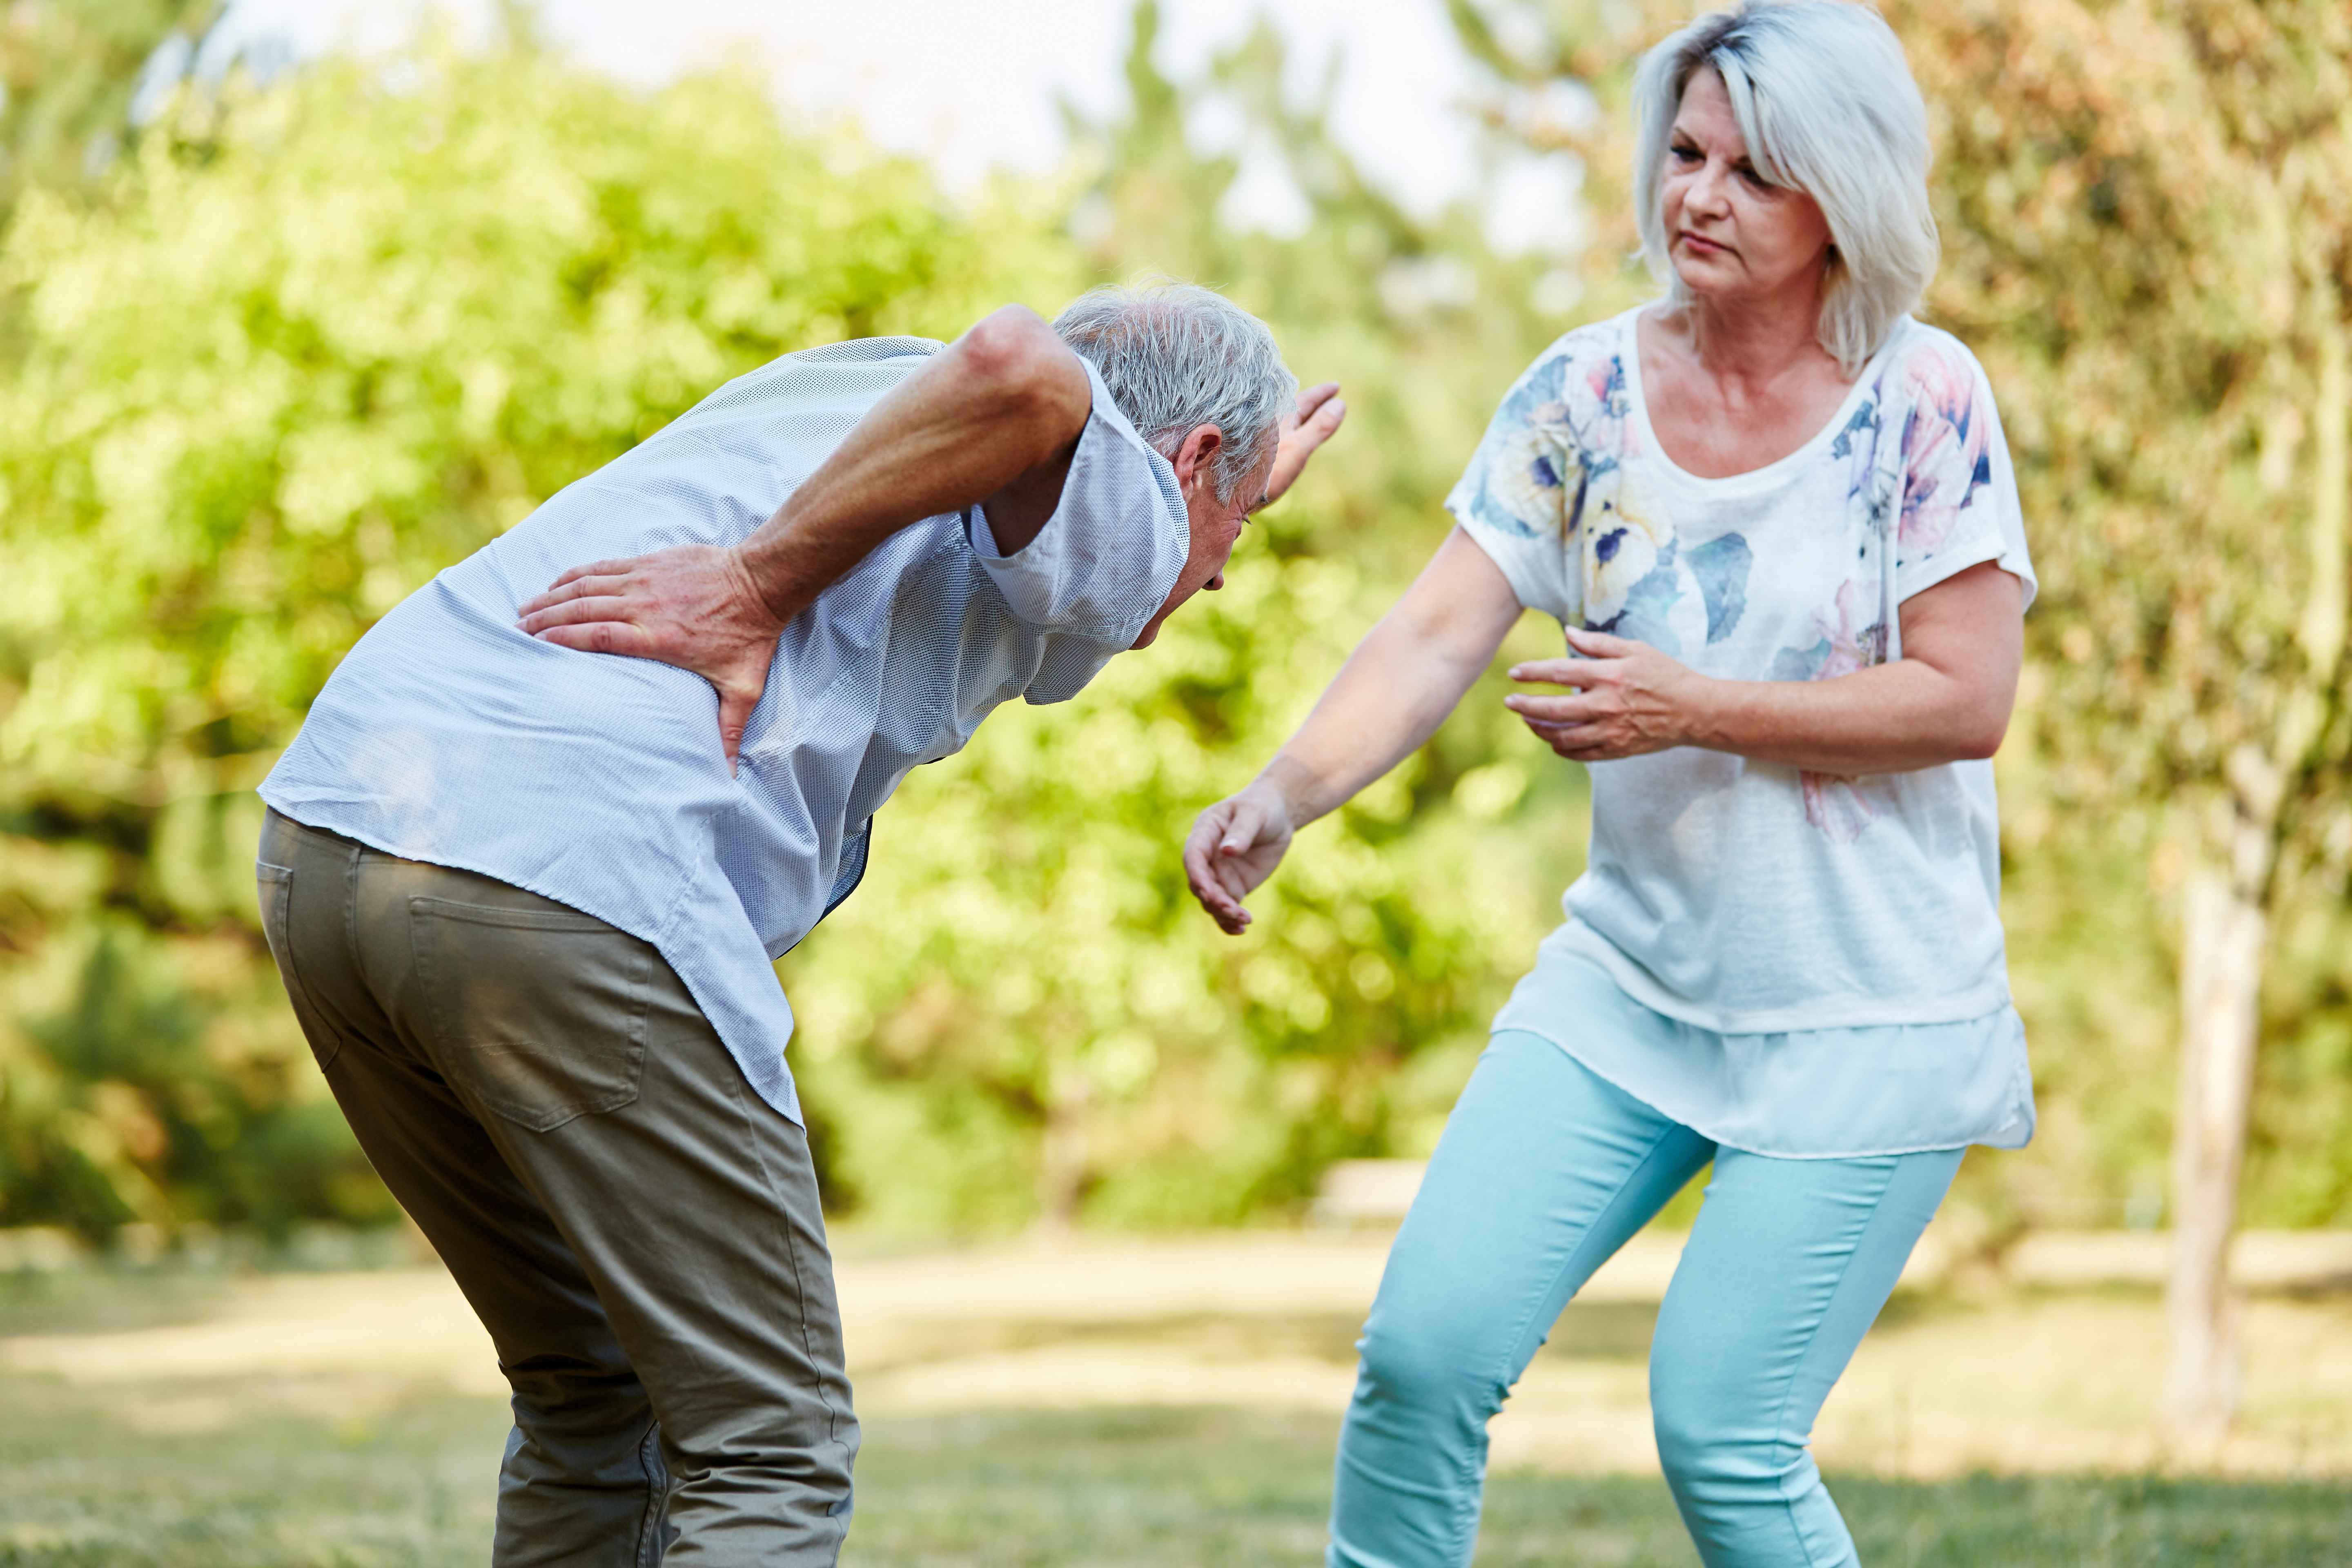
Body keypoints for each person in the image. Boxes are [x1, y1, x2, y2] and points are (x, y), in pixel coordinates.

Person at [254, 281, 1343, 1564]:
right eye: (1241, 532)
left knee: (588, 1392)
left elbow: (1016, 402)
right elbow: (1024, 369)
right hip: (565, 875)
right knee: (766, 1442)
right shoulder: (1115, 467)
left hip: (341, 836)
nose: (1212, 579)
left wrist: (1239, 483)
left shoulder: (854, 384)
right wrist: (757, 586)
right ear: (1191, 458)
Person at [1183, 5, 2032, 1564]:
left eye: (1752, 173)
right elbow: (1439, 630)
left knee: (1724, 1434)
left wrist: (1691, 706)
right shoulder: (1582, 396)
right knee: (1423, 1358)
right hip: (1635, 986)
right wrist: (1287, 791)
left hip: (1867, 1010)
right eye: (1687, 154)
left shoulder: (1925, 400)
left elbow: (1967, 698)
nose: (1696, 196)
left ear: (1841, 196)